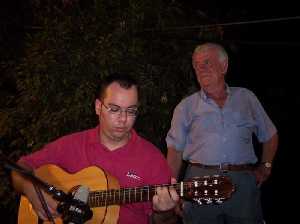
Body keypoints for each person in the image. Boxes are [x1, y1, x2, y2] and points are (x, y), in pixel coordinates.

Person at [11, 73, 179, 224]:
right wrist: (31, 190)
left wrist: (164, 212)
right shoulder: (71, 145)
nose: (123, 119)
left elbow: (164, 222)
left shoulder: (152, 159)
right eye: (114, 109)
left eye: (131, 111)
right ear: (98, 107)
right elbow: (21, 167)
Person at [166, 42, 278, 224]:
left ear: (224, 65)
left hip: (242, 183)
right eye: (196, 64)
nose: (201, 69)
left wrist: (265, 166)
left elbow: (270, 135)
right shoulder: (186, 107)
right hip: (198, 181)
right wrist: (172, 192)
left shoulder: (246, 98)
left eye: (207, 62)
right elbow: (175, 152)